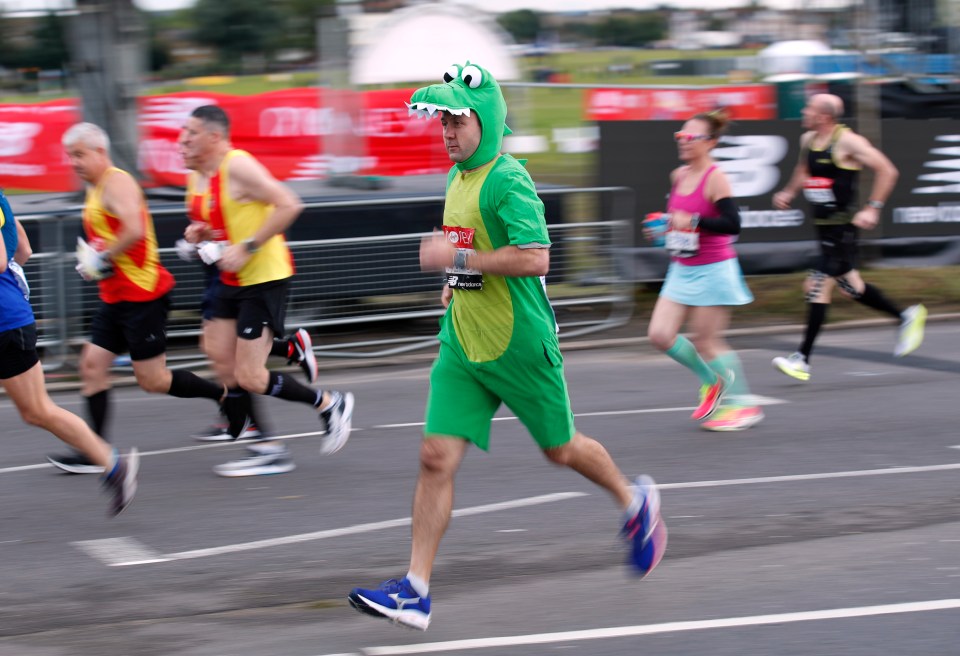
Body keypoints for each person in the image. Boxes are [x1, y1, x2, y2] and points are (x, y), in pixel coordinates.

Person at [347, 62, 666, 631]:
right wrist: (454, 280)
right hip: (464, 343)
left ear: (486, 121)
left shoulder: (507, 179)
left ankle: (634, 502)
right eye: (441, 121)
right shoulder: (458, 177)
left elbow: (537, 257)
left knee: (561, 449)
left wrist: (459, 260)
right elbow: (465, 243)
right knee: (433, 456)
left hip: (518, 342)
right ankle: (415, 589)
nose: (446, 131)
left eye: (458, 120)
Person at [47, 122, 246, 474]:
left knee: (152, 380)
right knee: (91, 367)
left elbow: (134, 229)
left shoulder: (117, 181)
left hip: (143, 296)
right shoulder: (94, 189)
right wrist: (93, 260)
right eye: (69, 157)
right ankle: (96, 451)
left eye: (79, 155)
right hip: (114, 296)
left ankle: (224, 396)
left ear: (100, 152)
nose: (73, 163)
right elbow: (111, 235)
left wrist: (101, 258)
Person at [178, 105, 353, 476]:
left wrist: (249, 247)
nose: (182, 138)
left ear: (213, 137)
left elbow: (290, 203)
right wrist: (202, 233)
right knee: (217, 353)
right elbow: (228, 220)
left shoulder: (237, 165)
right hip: (231, 278)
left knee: (251, 375)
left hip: (263, 277)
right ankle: (264, 444)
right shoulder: (198, 176)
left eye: (191, 132)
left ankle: (327, 403)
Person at [771, 94, 926, 381]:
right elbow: (803, 169)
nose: (804, 111)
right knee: (851, 287)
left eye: (809, 108)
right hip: (822, 226)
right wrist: (788, 192)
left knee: (817, 285)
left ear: (824, 116)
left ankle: (802, 359)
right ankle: (906, 316)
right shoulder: (808, 140)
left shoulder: (848, 142)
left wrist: (873, 208)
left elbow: (888, 170)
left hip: (842, 226)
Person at [1, 190, 137, 515]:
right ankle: (113, 466)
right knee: (37, 411)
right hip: (11, 317)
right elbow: (24, 250)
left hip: (5, 323)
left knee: (38, 410)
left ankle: (112, 465)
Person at [644, 110, 763, 432]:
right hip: (682, 267)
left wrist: (694, 221)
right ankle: (711, 381)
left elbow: (732, 224)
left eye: (690, 137)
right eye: (679, 137)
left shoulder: (715, 178)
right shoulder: (678, 175)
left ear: (710, 142)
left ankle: (744, 406)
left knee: (707, 341)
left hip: (714, 269)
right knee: (660, 335)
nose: (683, 142)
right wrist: (662, 231)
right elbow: (680, 225)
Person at [176, 240, 319, 443]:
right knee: (218, 349)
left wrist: (222, 244)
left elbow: (278, 213)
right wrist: (197, 238)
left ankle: (256, 429)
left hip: (247, 273)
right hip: (221, 271)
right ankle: (239, 417)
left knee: (244, 370)